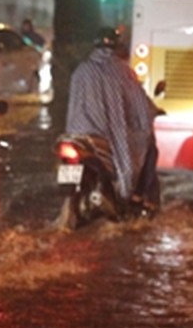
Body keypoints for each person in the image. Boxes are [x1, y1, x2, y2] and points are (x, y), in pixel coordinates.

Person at [66, 27, 161, 211]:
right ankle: (136, 196)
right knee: (146, 144)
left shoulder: (81, 70)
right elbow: (139, 104)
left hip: (76, 134)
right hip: (106, 135)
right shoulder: (122, 71)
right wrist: (149, 114)